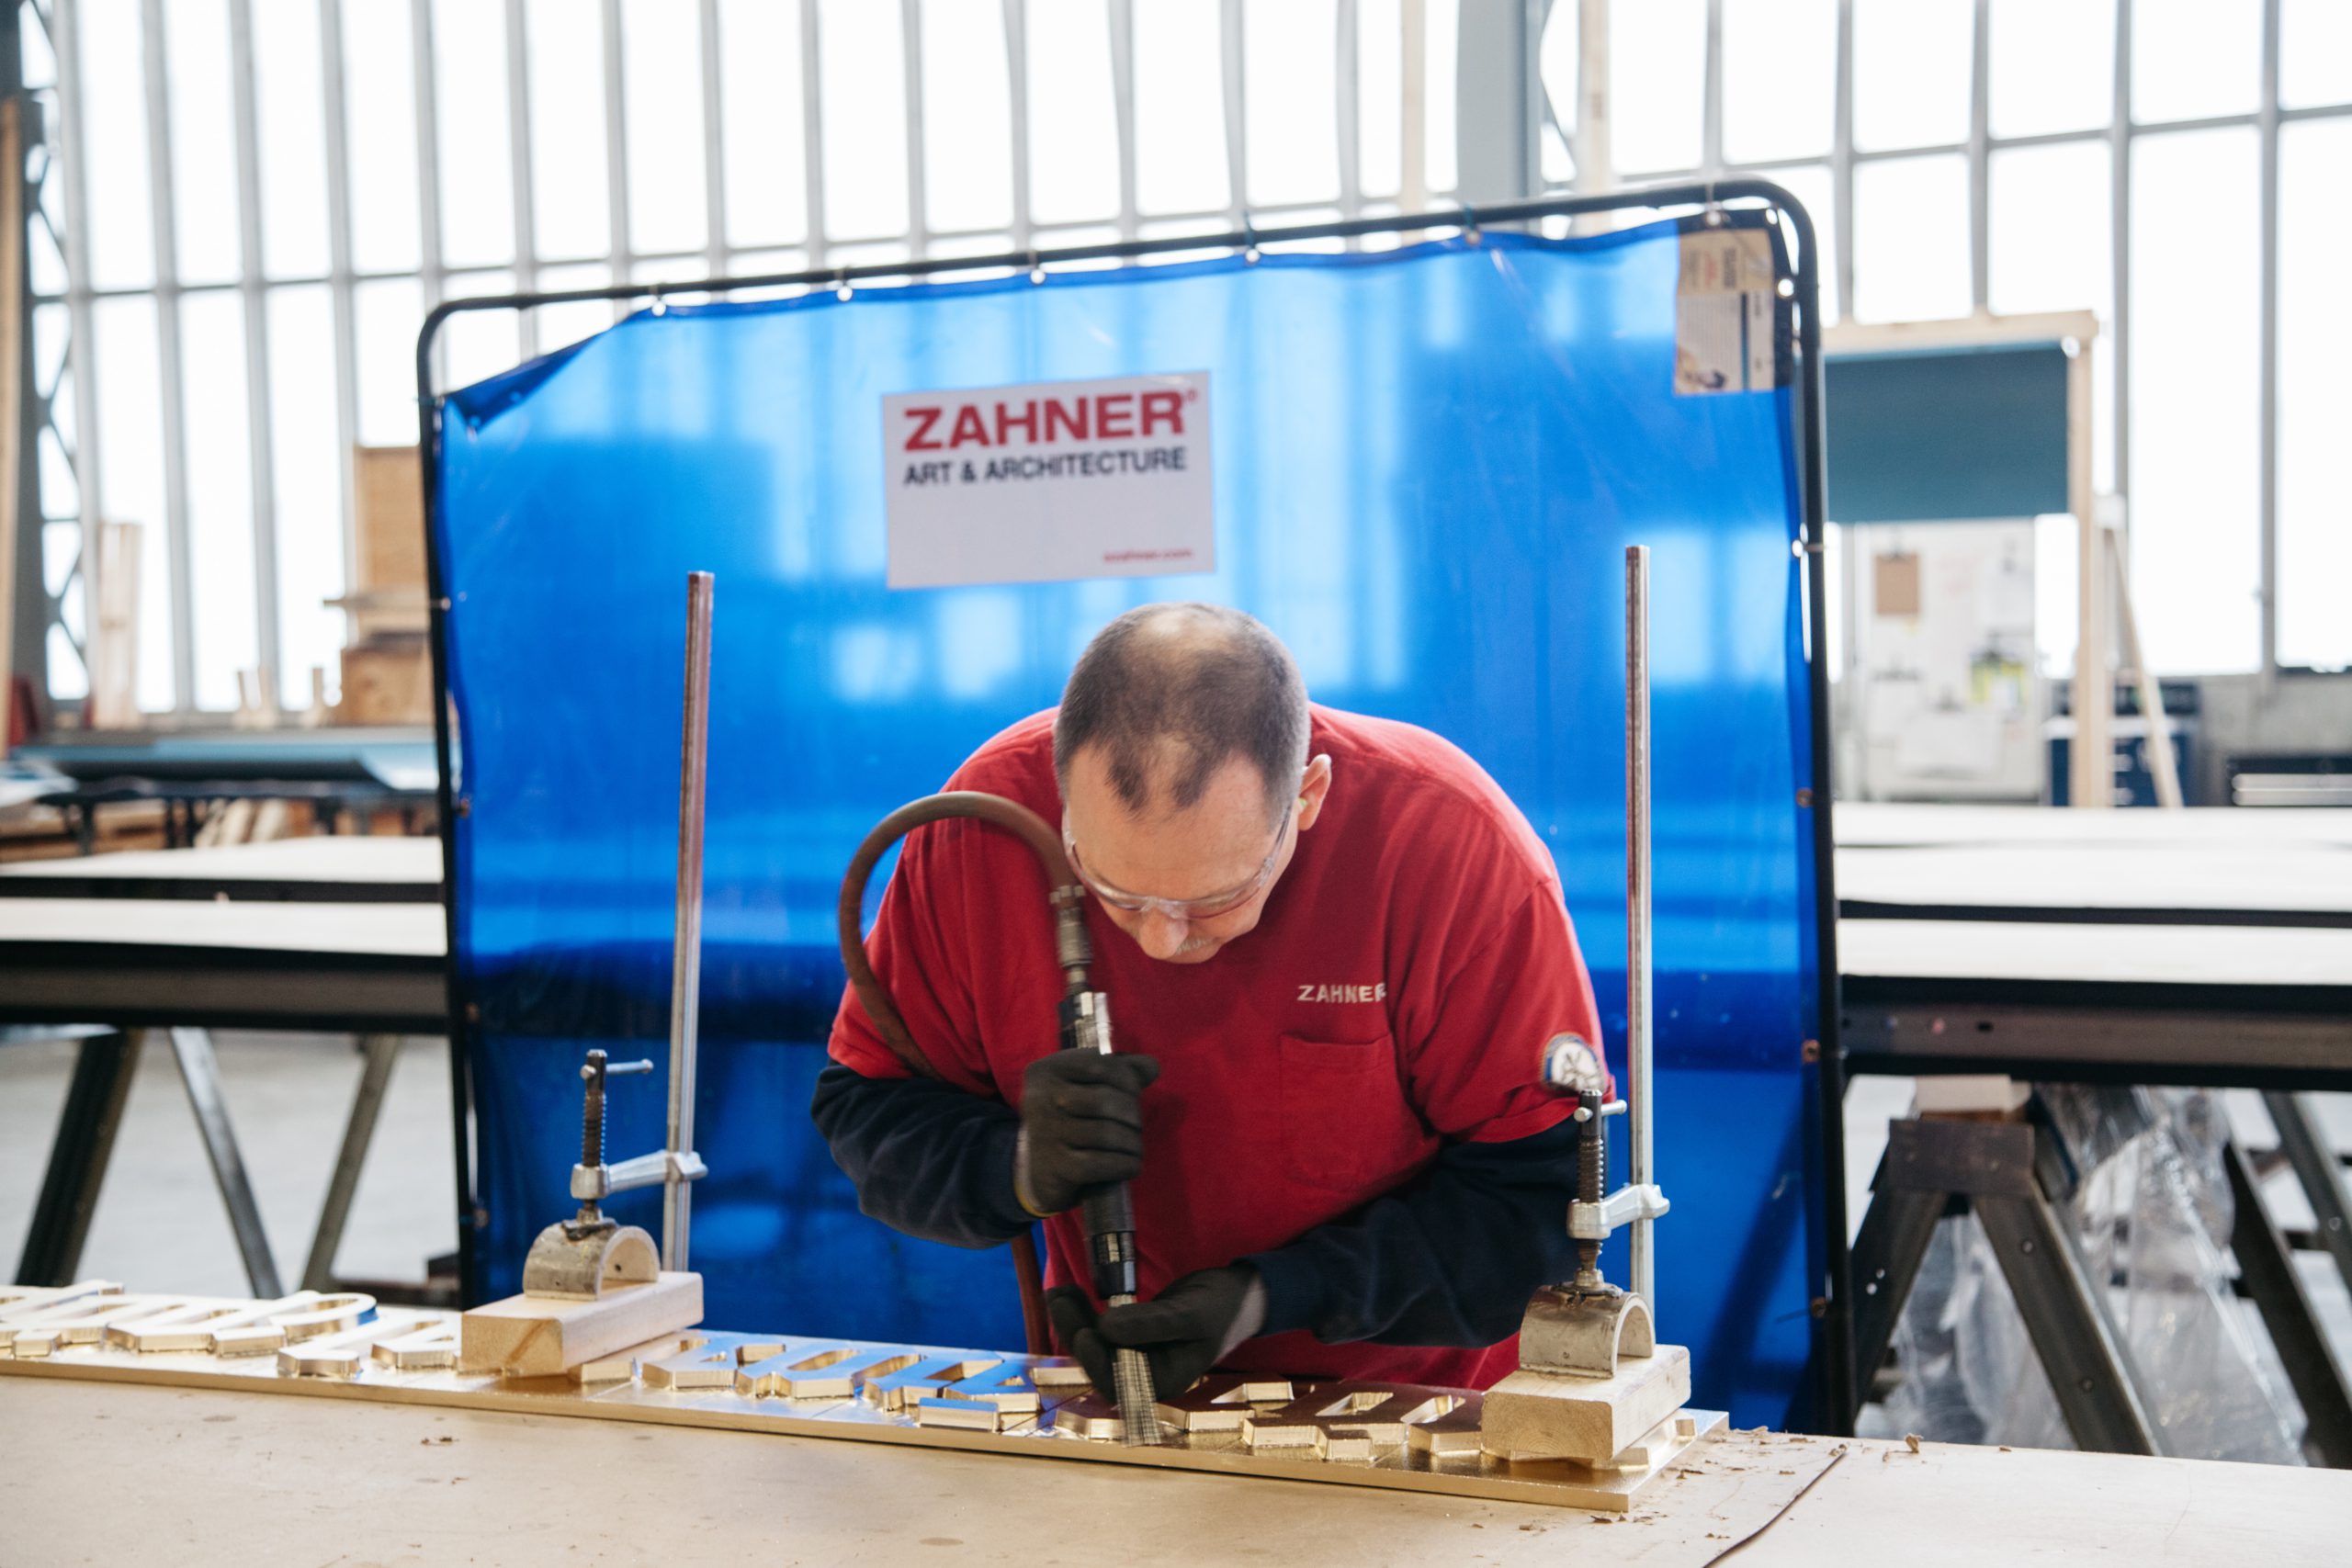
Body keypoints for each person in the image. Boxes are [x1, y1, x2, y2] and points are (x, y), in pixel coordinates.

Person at [812, 602, 1605, 1398]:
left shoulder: (1447, 847)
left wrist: (1271, 1297)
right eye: (1115, 890)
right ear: (1060, 796)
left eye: (1216, 897)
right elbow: (869, 1117)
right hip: (1120, 1396)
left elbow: (1541, 1211)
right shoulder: (986, 829)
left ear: (1308, 797)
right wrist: (1017, 1165)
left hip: (1425, 1414)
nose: (1161, 940)